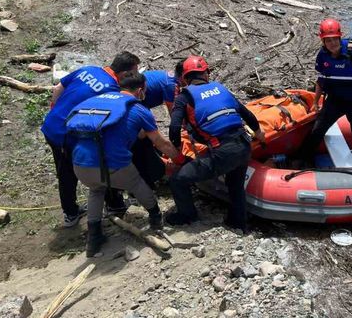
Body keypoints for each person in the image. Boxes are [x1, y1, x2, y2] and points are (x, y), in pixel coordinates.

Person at [66, 72, 181, 257]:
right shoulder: (138, 109)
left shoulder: (100, 100)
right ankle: (155, 219)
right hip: (113, 165)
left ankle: (93, 240)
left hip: (80, 163)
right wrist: (179, 159)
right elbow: (160, 143)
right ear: (141, 90)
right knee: (136, 184)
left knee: (96, 191)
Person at [39, 51, 140, 227]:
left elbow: (57, 90)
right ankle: (110, 206)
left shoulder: (88, 69)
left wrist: (56, 111)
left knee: (64, 171)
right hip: (66, 135)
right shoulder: (111, 88)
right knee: (98, 163)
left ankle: (73, 212)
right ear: (125, 74)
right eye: (134, 73)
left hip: (51, 124)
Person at [166, 55, 266, 231]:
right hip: (244, 144)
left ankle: (187, 216)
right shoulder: (221, 88)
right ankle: (238, 223)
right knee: (235, 185)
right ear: (206, 74)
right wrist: (259, 134)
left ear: (185, 77)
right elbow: (247, 115)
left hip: (222, 151)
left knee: (177, 180)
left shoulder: (184, 96)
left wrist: (176, 151)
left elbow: (174, 126)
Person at [296, 19, 352, 170]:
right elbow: (321, 80)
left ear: (339, 37)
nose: (332, 43)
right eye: (327, 40)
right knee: (317, 129)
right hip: (336, 99)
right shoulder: (323, 56)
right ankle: (303, 158)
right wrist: (316, 102)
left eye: (334, 39)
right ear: (323, 41)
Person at [129, 61, 184, 189]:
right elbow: (174, 116)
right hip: (138, 106)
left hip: (138, 101)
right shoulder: (171, 85)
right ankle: (151, 175)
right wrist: (180, 157)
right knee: (144, 141)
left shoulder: (169, 78)